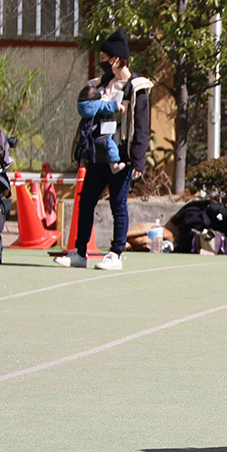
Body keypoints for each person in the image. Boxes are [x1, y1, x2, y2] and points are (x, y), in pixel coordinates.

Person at [55, 28, 152, 271]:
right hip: (96, 153)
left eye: (105, 57)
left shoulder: (136, 88)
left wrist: (138, 161)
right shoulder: (99, 85)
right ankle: (79, 252)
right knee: (85, 201)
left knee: (118, 205)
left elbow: (141, 127)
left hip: (120, 156)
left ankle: (116, 254)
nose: (103, 62)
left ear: (116, 59)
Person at [76, 84, 126, 173]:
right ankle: (114, 165)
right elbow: (108, 107)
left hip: (88, 134)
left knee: (84, 147)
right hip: (102, 135)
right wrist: (119, 106)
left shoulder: (82, 108)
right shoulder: (97, 105)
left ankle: (82, 163)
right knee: (110, 145)